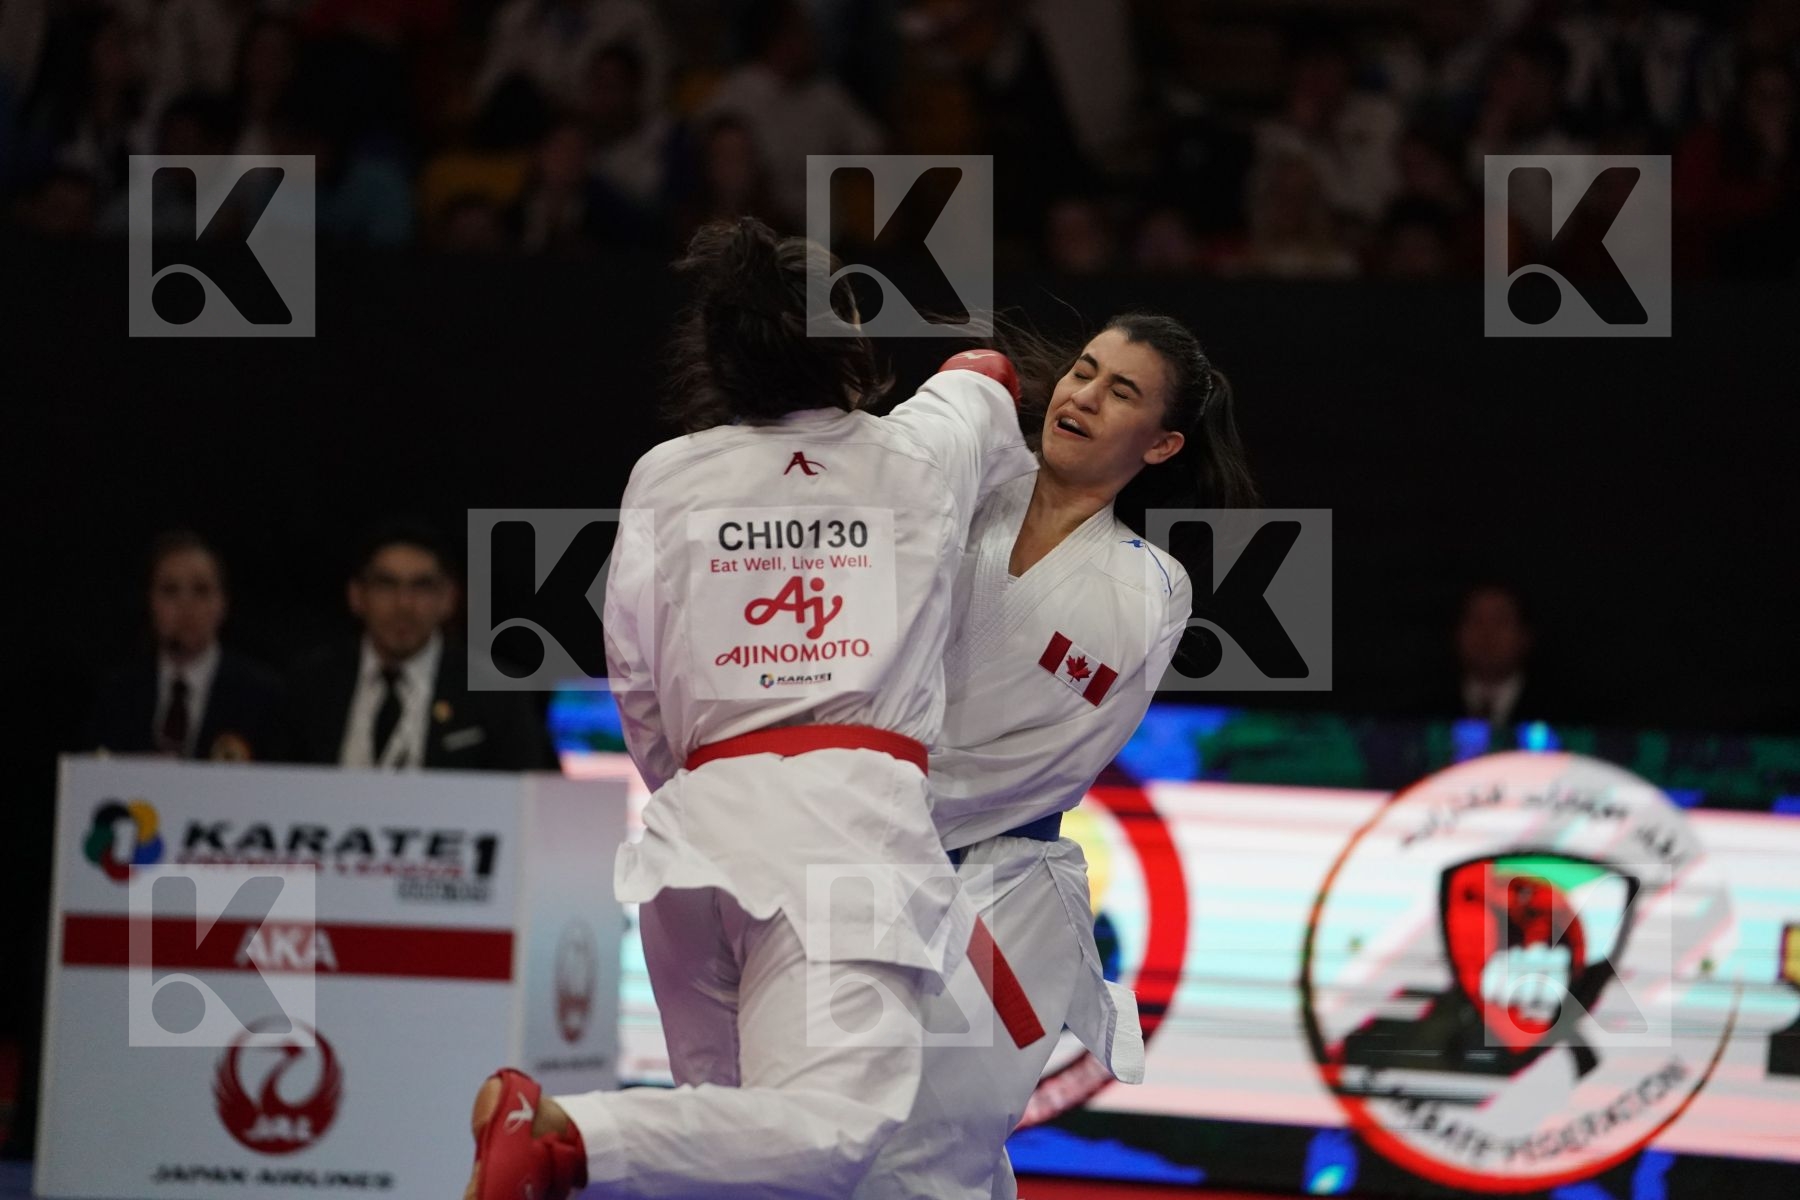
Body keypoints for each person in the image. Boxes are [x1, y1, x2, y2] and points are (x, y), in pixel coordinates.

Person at [461, 216, 1036, 1200]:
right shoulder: (916, 455)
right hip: (845, 838)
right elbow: (987, 371)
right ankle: (561, 1140)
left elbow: (634, 682)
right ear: (851, 351)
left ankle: (573, 1142)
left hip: (696, 839)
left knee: (735, 1159)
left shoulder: (666, 475)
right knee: (833, 1136)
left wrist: (707, 798)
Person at [855, 313, 1255, 1198]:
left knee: (937, 1147)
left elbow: (1045, 765)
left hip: (1002, 892)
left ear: (1160, 446)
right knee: (859, 1136)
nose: (1083, 394)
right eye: (1084, 370)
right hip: (861, 861)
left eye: (1122, 393)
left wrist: (871, 785)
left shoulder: (1147, 588)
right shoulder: (959, 484)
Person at [287, 521, 551, 771]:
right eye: (386, 584)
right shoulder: (311, 685)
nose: (404, 605)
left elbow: (528, 795)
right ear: (356, 596)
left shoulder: (497, 694)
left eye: (422, 586)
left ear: (448, 599)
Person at [87, 529, 285, 762]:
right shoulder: (119, 694)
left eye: (201, 590)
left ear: (223, 603)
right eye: (170, 590)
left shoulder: (260, 696)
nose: (186, 605)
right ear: (150, 601)